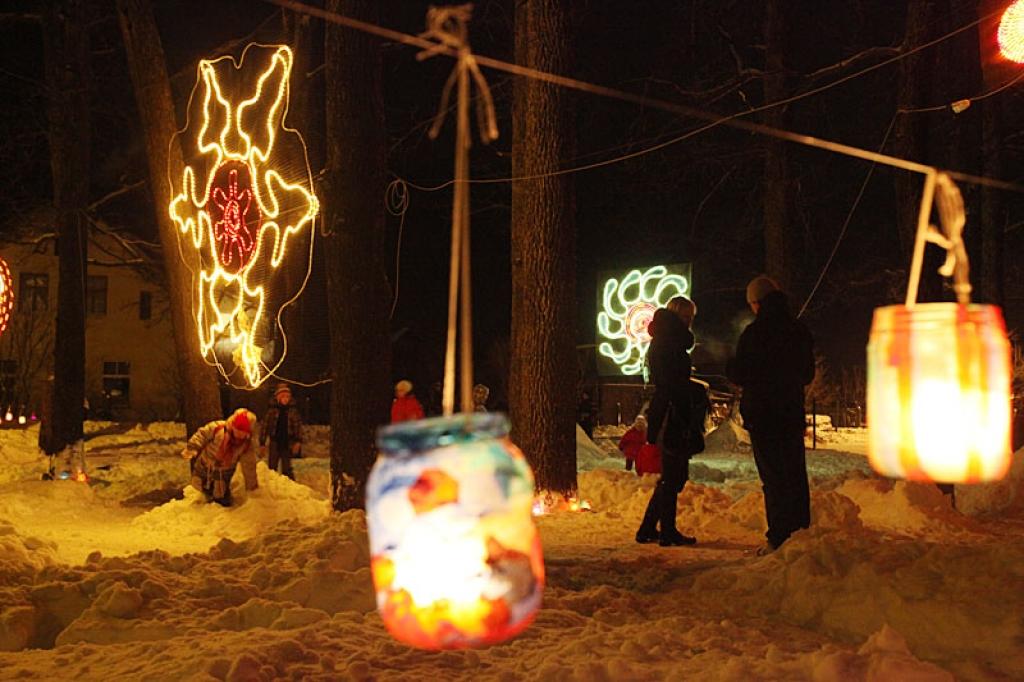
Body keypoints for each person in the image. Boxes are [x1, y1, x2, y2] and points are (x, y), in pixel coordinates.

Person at [727, 275, 815, 555]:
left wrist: (732, 366)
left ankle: (779, 537)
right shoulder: (797, 330)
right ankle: (800, 531)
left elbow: (740, 373)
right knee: (794, 474)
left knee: (774, 477)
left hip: (763, 415)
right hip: (790, 413)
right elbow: (807, 373)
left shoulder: (754, 334)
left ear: (756, 303)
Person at [636, 296, 700, 547]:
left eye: (691, 317)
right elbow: (673, 381)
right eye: (686, 317)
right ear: (677, 316)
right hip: (673, 414)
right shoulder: (671, 342)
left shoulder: (664, 340)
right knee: (673, 474)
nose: (689, 322)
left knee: (670, 474)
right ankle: (667, 531)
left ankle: (650, 527)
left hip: (666, 412)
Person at [181, 408, 258, 506]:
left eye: (243, 432)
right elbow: (202, 434)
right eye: (237, 430)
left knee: (220, 499)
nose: (239, 434)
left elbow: (249, 466)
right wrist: (193, 447)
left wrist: (252, 489)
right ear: (233, 426)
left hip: (224, 473)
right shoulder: (218, 428)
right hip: (204, 467)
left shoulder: (246, 445)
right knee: (199, 493)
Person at [260, 383, 302, 480]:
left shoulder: (293, 411)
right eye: (283, 396)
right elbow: (265, 426)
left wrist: (298, 441)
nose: (285, 399)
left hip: (287, 441)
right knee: (272, 466)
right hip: (275, 441)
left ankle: (289, 484)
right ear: (278, 398)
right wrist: (262, 442)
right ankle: (271, 483)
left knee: (287, 466)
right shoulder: (272, 411)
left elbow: (297, 426)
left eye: (287, 397)